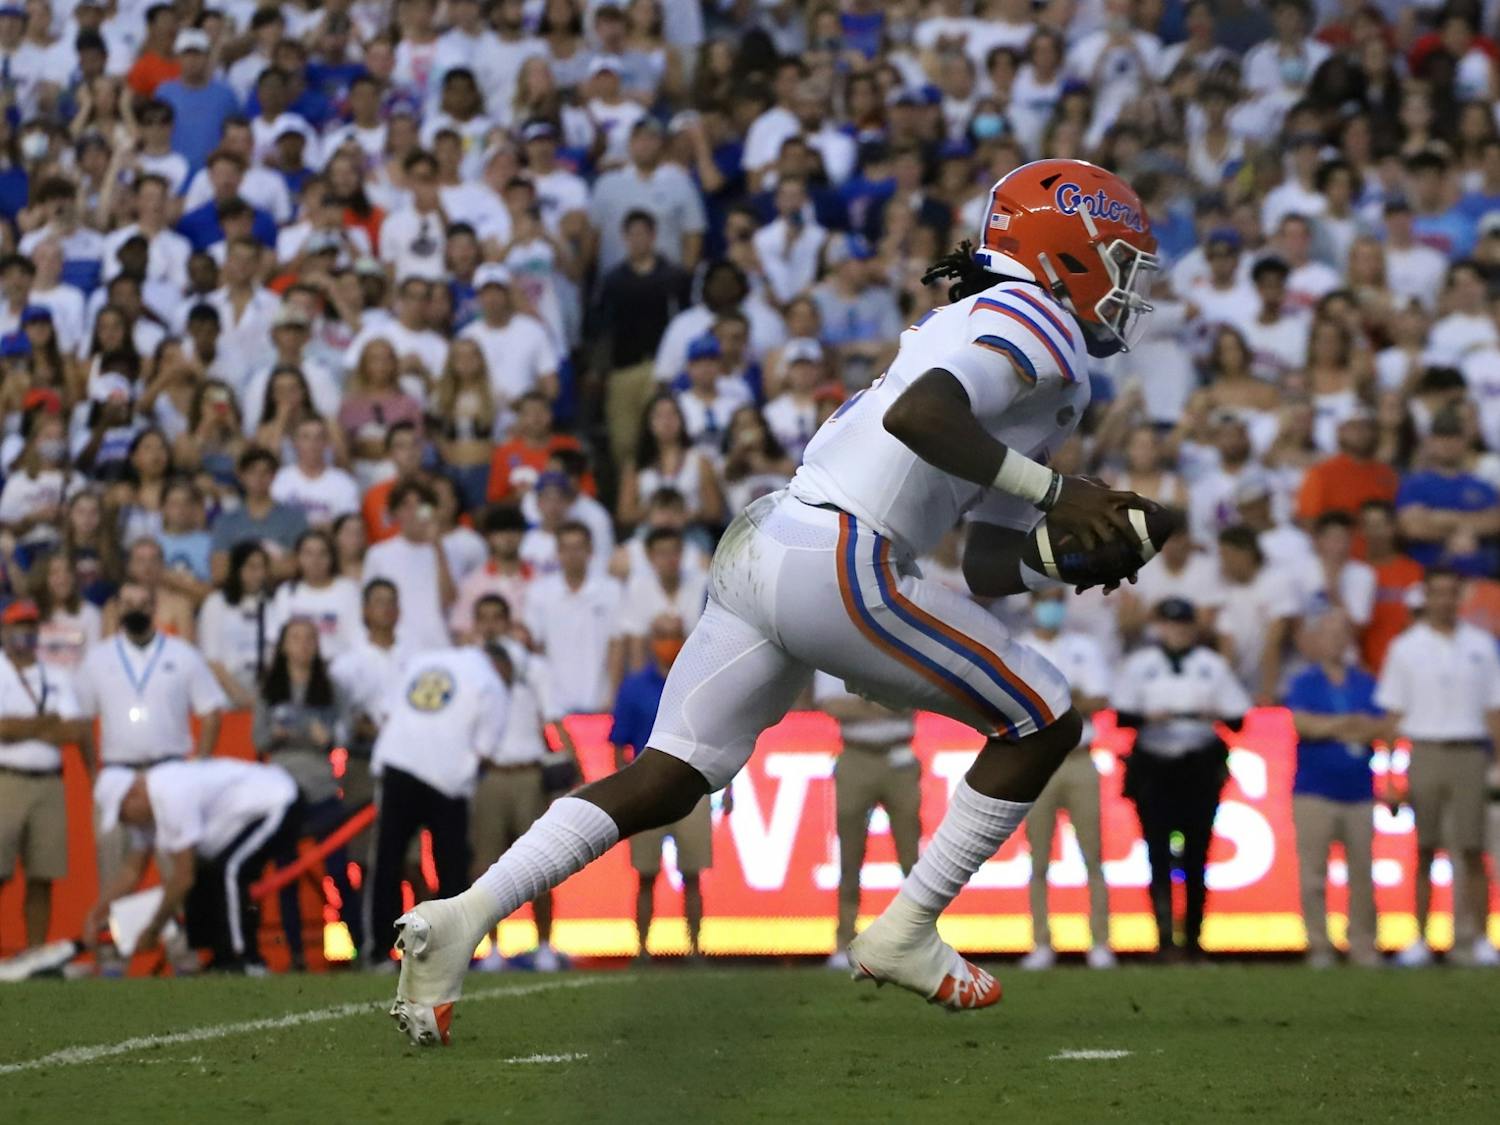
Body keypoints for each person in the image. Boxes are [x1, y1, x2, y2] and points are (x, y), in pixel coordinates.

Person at [388, 159, 1163, 1042]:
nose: (1126, 289)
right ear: (1066, 253)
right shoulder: (1034, 319)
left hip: (776, 538)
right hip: (844, 553)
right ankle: (906, 929)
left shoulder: (1012, 343)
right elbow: (923, 418)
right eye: (1118, 261)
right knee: (1047, 718)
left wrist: (1060, 562)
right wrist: (1066, 497)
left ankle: (458, 918)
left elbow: (986, 561)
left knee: (669, 773)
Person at [1113, 598, 1250, 962]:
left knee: (1197, 853)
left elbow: (1238, 718)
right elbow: (1122, 715)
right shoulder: (1141, 665)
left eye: (1184, 626)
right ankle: (1163, 940)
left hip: (1197, 764)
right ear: (1160, 628)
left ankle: (1193, 939)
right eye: (1171, 625)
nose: (1177, 632)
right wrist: (1148, 716)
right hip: (1155, 764)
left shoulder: (1211, 665)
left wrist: (1212, 713)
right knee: (1157, 851)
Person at [1375, 568, 1500, 968]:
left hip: (1469, 750)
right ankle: (1419, 937)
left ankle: (1479, 937)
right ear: (1425, 599)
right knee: (1425, 846)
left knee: (1472, 848)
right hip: (1425, 749)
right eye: (1437, 594)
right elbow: (1393, 714)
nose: (1444, 601)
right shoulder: (1406, 647)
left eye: (1451, 593)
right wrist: (1391, 774)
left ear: (1459, 597)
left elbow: (1493, 709)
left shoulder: (1481, 644)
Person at [366, 639, 510, 966]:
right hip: (447, 780)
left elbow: (387, 713)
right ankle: (450, 952)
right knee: (452, 868)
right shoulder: (493, 683)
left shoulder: (423, 658)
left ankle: (378, 952)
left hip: (398, 765)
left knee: (388, 861)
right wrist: (466, 776)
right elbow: (485, 751)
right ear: (503, 667)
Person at [87, 758, 300, 972]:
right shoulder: (150, 802)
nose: (125, 823)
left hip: (279, 800)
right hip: (248, 815)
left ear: (134, 794)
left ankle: (245, 959)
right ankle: (220, 958)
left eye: (122, 814)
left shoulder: (171, 794)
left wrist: (153, 929)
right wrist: (96, 914)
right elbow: (132, 871)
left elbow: (183, 878)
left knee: (231, 871)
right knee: (208, 873)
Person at [466, 595, 570, 973]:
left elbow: (553, 717)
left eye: (497, 618)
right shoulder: (467, 669)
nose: (491, 625)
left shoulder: (531, 667)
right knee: (486, 869)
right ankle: (493, 948)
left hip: (528, 774)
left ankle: (543, 944)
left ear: (509, 623)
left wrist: (572, 765)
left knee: (538, 865)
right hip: (489, 774)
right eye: (484, 618)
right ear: (476, 624)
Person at [253, 617, 361, 969]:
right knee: (286, 875)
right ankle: (296, 954)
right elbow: (259, 739)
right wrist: (277, 736)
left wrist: (327, 739)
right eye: (295, 638)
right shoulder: (269, 687)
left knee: (339, 871)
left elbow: (345, 732)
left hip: (322, 788)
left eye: (308, 638)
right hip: (281, 791)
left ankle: (360, 945)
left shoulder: (331, 686)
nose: (301, 645)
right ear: (283, 645)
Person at [1016, 590, 1114, 970]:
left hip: (1078, 758)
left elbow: (1099, 699)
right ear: (1032, 605)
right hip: (1037, 761)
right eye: (1045, 600)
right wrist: (1069, 697)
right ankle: (1042, 941)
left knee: (1093, 853)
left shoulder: (1083, 647)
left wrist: (1050, 700)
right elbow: (1018, 703)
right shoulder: (1019, 650)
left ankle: (1100, 941)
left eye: (1057, 599)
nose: (1051, 607)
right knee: (1038, 856)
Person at [1284, 610, 1384, 969]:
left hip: (1359, 790)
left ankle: (1363, 943)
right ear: (1316, 640)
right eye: (1327, 633)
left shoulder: (1366, 682)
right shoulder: (1304, 682)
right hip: (1314, 789)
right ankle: (1319, 945)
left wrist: (1332, 727)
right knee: (1313, 873)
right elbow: (1303, 725)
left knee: (1362, 872)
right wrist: (1348, 724)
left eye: (1340, 634)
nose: (1335, 641)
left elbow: (1379, 727)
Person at [611, 615, 714, 962]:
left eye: (672, 635)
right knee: (645, 873)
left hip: (690, 784)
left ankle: (695, 948)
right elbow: (619, 742)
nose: (667, 642)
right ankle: (642, 949)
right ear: (651, 639)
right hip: (648, 787)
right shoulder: (634, 686)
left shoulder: (699, 682)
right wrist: (625, 787)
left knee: (693, 872)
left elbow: (717, 737)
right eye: (661, 635)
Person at [814, 670, 920, 971]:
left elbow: (913, 698)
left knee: (911, 857)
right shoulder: (837, 651)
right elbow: (830, 704)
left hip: (899, 756)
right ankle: (844, 940)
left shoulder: (900, 644)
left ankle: (917, 939)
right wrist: (881, 706)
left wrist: (861, 706)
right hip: (855, 755)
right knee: (849, 857)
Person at [0, 600, 87, 953]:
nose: (26, 632)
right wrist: (44, 723)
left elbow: (74, 731)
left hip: (49, 782)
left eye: (31, 626)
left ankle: (35, 952)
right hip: (7, 779)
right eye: (19, 626)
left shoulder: (57, 673)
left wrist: (20, 728)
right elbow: (2, 728)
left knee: (43, 874)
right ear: (5, 631)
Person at [362, 479, 456, 654]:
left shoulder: (446, 550)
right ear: (395, 513)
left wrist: (437, 546)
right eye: (405, 505)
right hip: (396, 646)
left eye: (420, 504)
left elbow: (449, 600)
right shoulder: (379, 554)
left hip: (437, 643)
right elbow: (370, 607)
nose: (413, 512)